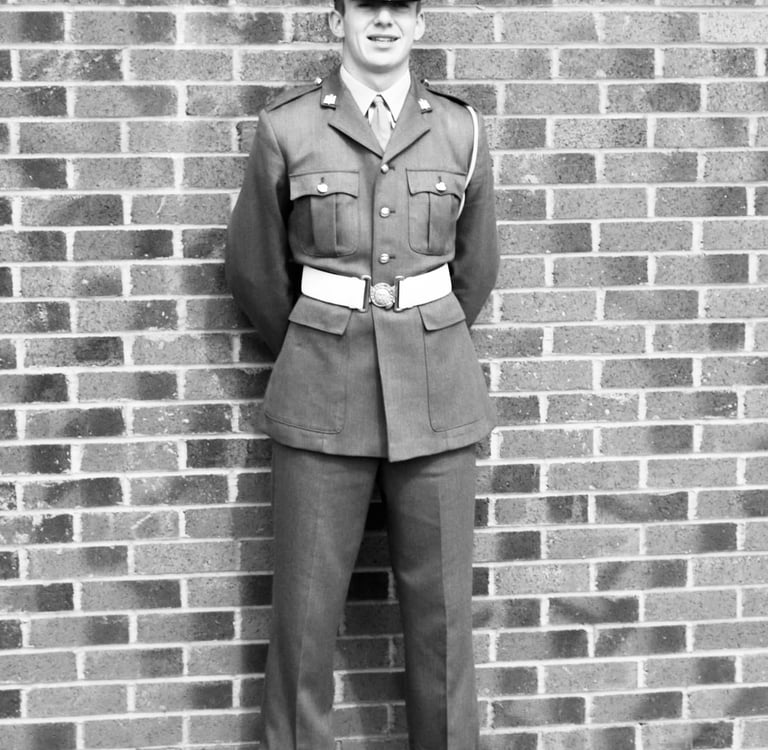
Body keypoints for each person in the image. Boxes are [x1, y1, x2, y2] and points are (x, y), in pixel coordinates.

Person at [226, 1, 499, 748]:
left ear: (420, 23)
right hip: (321, 391)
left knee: (445, 625)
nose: (383, 20)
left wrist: (420, 335)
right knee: (304, 621)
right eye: (366, 6)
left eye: (399, 6)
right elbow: (255, 270)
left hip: (437, 394)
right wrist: (316, 339)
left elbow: (475, 271)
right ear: (335, 21)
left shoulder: (461, 129)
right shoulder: (288, 127)